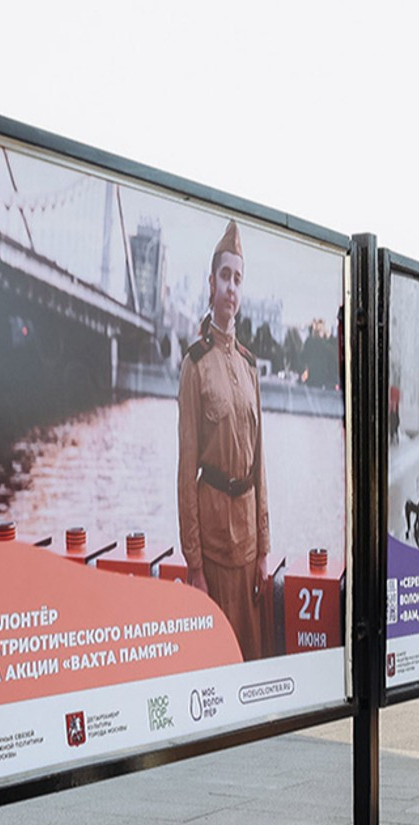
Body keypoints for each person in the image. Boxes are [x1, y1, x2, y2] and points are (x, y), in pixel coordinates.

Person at [177, 220, 270, 661]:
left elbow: (260, 466)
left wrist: (264, 550)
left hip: (248, 543)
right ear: (210, 283)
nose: (231, 288)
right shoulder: (195, 366)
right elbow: (185, 470)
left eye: (238, 279)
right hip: (212, 546)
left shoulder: (250, 367)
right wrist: (194, 564)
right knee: (216, 664)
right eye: (225, 277)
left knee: (250, 660)